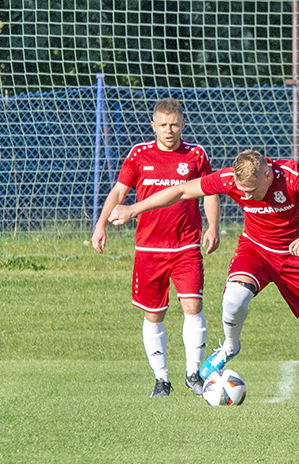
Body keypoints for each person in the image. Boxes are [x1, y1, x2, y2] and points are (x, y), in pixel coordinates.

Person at [108, 149, 299, 405]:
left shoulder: (290, 174)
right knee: (234, 297)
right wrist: (133, 209)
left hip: (298, 254)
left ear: (268, 174)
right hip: (256, 250)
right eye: (242, 190)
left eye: (251, 190)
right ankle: (229, 346)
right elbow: (181, 191)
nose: (246, 196)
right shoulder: (229, 179)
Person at [92, 98, 220, 399]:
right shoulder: (139, 154)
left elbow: (209, 192)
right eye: (162, 125)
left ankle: (193, 373)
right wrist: (100, 225)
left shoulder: (195, 154)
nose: (169, 130)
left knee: (193, 306)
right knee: (154, 314)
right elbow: (119, 192)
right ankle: (162, 379)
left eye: (174, 124)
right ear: (153, 126)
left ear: (183, 124)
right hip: (149, 249)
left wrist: (212, 226)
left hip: (186, 245)